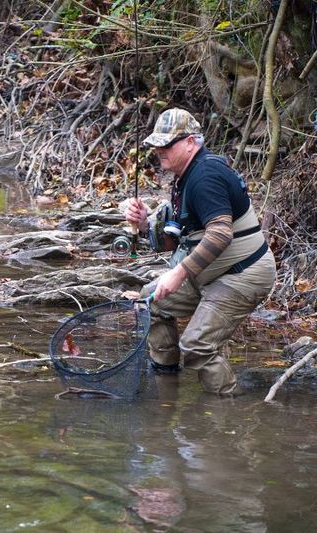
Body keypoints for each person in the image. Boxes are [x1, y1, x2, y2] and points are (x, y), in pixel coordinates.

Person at [125, 108, 276, 395]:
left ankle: (226, 411)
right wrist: (145, 225)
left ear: (191, 142)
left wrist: (178, 274)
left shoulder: (206, 175)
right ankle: (166, 382)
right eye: (158, 143)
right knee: (150, 301)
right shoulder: (184, 177)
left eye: (167, 144)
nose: (159, 149)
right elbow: (176, 240)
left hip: (243, 274)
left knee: (197, 344)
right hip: (211, 271)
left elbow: (220, 235)